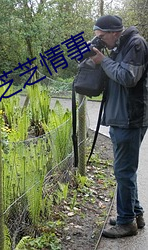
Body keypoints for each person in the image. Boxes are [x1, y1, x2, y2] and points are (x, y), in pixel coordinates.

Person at [90, 15, 148, 238]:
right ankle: (135, 214)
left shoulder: (136, 44)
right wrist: (97, 58)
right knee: (125, 171)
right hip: (120, 116)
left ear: (115, 32)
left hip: (130, 118)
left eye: (102, 37)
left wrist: (103, 60)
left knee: (123, 171)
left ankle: (126, 223)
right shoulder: (119, 46)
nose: (101, 41)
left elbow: (127, 77)